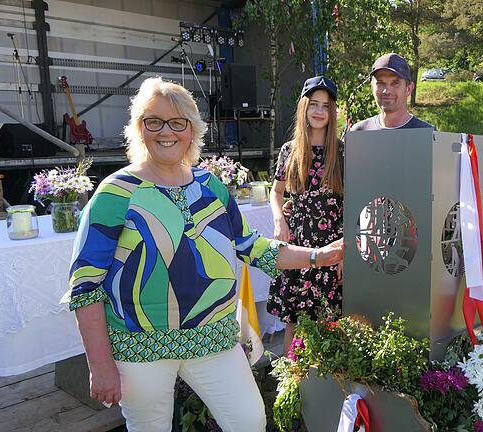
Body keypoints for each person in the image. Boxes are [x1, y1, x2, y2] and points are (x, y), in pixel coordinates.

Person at [66, 76, 344, 432]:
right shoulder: (116, 192)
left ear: (192, 130)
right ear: (139, 129)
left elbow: (250, 246)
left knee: (249, 420)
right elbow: (84, 286)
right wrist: (100, 365)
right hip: (140, 350)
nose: (166, 131)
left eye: (178, 123)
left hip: (214, 341)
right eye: (154, 121)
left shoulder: (210, 185)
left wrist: (317, 256)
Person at [267, 76, 344, 353]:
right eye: (314, 104)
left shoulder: (343, 152)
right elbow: (276, 193)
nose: (319, 111)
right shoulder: (290, 150)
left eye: (326, 105)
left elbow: (355, 203)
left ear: (333, 111)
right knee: (295, 321)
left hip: (333, 245)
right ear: (303, 107)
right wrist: (279, 220)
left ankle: (328, 384)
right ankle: (293, 383)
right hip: (298, 245)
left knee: (332, 318)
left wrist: (346, 250)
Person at [350, 52, 434, 131]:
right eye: (380, 83)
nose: (386, 91)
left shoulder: (428, 135)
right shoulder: (359, 133)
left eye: (395, 83)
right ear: (372, 88)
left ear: (409, 89)